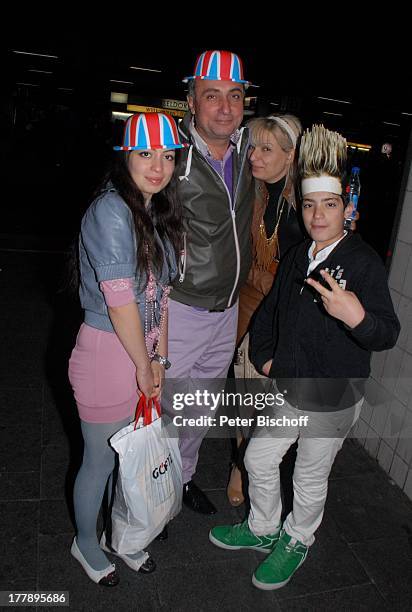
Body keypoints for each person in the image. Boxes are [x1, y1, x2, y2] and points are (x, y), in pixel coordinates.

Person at [209, 124, 400, 590]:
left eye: (329, 205)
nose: (317, 214)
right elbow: (272, 310)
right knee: (258, 459)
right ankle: (263, 527)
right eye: (310, 204)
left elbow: (386, 334)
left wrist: (356, 317)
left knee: (311, 479)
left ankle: (298, 539)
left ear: (347, 209)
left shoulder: (363, 263)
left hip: (334, 394)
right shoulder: (297, 254)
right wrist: (269, 357)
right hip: (289, 385)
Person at [68, 112, 186, 586]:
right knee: (100, 460)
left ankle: (124, 535)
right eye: (145, 154)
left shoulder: (155, 210)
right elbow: (120, 303)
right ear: (124, 156)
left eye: (168, 155)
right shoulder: (110, 210)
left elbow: (164, 296)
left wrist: (160, 359)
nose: (158, 166)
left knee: (130, 458)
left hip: (142, 354)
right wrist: (145, 363)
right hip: (107, 353)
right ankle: (85, 542)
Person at [163, 50, 255, 515]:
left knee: (199, 409)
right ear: (192, 101)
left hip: (228, 309)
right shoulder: (173, 157)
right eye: (212, 96)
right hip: (181, 306)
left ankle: (181, 481)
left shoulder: (250, 153)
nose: (224, 107)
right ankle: (151, 497)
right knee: (164, 410)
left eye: (234, 96)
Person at [227, 114, 304, 507]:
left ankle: (257, 465)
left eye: (266, 149)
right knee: (244, 395)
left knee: (270, 399)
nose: (254, 156)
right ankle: (241, 465)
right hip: (246, 305)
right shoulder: (250, 191)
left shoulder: (305, 207)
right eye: (253, 147)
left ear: (290, 157)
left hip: (281, 314)